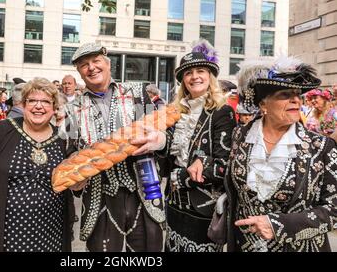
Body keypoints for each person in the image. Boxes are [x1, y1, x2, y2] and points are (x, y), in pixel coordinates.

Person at [225, 55, 337, 252]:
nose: (295, 99)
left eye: (297, 94)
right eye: (285, 94)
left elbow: (333, 210)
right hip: (245, 246)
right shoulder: (240, 136)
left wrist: (277, 225)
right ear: (263, 105)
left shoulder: (321, 146)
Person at [62, 42, 167, 252]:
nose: (91, 67)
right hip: (99, 199)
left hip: (144, 192)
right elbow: (71, 151)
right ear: (79, 73)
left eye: (96, 61)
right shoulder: (72, 109)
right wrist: (76, 178)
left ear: (108, 65)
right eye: (84, 65)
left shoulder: (138, 93)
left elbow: (161, 132)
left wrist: (160, 140)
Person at [0, 77, 75, 252]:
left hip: (52, 233)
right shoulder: (1, 131)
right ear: (23, 104)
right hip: (8, 233)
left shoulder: (63, 139)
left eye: (45, 102)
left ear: (54, 107)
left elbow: (73, 182)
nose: (38, 106)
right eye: (32, 100)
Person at [164, 39, 236, 252]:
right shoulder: (176, 112)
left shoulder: (222, 112)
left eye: (200, 71)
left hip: (204, 207)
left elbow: (225, 164)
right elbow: (169, 156)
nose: (194, 76)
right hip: (175, 204)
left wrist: (181, 177)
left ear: (210, 76)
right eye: (188, 73)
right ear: (183, 80)